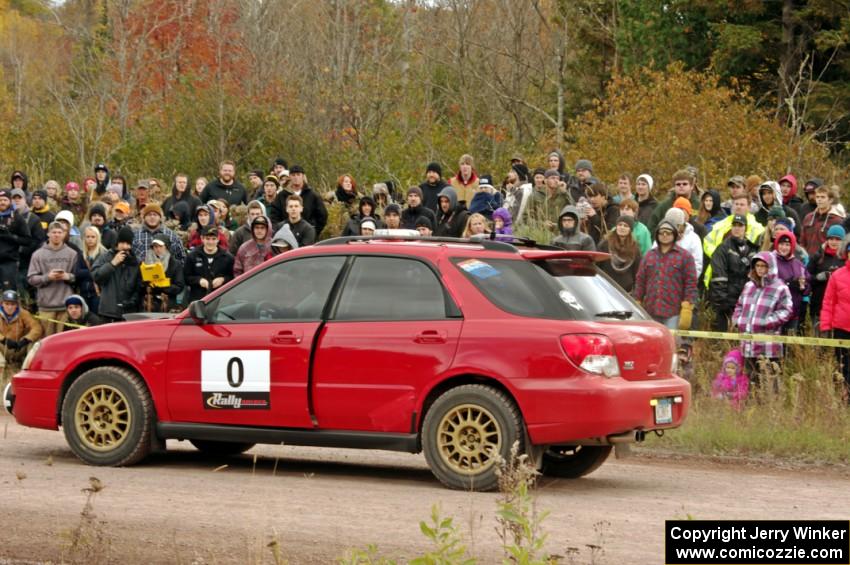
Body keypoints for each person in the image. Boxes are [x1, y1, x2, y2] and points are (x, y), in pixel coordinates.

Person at [732, 252, 793, 389]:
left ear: (770, 267)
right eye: (757, 266)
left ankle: (772, 408)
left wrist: (766, 322)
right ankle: (752, 407)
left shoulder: (780, 288)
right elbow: (739, 305)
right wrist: (738, 320)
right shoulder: (749, 286)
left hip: (768, 345)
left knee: (770, 381)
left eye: (763, 266)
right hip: (748, 343)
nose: (760, 269)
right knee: (751, 380)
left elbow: (786, 310)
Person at [634, 220, 698, 330]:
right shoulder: (649, 255)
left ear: (674, 235)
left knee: (671, 344)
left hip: (673, 312)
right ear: (657, 235)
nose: (664, 235)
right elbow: (640, 280)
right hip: (651, 310)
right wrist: (637, 301)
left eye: (668, 233)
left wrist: (687, 306)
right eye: (661, 232)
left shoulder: (685, 257)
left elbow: (691, 283)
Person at [707, 214, 759, 331]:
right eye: (734, 225)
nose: (737, 228)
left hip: (746, 302)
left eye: (740, 225)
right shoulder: (723, 248)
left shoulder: (752, 248)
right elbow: (718, 277)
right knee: (723, 340)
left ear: (746, 228)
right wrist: (722, 302)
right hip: (726, 303)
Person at [27, 222, 78, 335]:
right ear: (48, 234)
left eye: (59, 232)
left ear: (64, 234)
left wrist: (68, 276)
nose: (56, 235)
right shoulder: (38, 254)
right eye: (54, 232)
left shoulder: (72, 254)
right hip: (46, 307)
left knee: (64, 341)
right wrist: (47, 277)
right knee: (47, 341)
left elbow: (80, 277)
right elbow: (31, 278)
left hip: (66, 306)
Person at [819, 237, 850, 397]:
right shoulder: (837, 275)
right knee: (842, 367)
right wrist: (825, 326)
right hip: (841, 329)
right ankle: (843, 400)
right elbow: (828, 302)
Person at [92, 226, 142, 322]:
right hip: (108, 312)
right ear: (117, 243)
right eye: (122, 243)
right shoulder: (105, 257)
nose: (125, 246)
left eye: (128, 243)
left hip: (128, 313)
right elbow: (96, 276)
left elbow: (138, 287)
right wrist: (112, 264)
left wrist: (131, 302)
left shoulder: (136, 262)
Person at [269, 165, 326, 236]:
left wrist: (313, 232)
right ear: (289, 177)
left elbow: (322, 215)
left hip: (307, 237)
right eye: (293, 175)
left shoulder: (313, 195)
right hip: (286, 237)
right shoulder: (281, 195)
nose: (296, 177)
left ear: (303, 176)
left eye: (298, 175)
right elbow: (274, 216)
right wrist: (280, 232)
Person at [807, 224, 845, 331]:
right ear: (827, 240)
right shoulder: (818, 256)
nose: (834, 242)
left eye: (837, 239)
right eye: (831, 238)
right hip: (819, 305)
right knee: (819, 341)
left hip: (840, 308)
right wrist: (818, 278)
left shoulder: (846, 258)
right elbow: (806, 277)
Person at [184, 226, 235, 303]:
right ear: (202, 238)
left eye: (213, 239)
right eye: (207, 239)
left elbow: (233, 277)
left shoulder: (228, 257)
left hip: (220, 298)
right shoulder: (192, 256)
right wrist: (198, 280)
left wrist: (223, 279)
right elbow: (186, 277)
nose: (210, 242)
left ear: (218, 239)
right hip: (197, 298)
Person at [772, 231, 810, 334]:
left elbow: (807, 284)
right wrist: (787, 284)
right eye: (781, 244)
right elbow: (766, 283)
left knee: (789, 347)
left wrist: (803, 286)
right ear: (776, 244)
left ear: (792, 246)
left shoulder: (798, 264)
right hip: (774, 312)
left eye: (787, 245)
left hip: (793, 313)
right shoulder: (770, 261)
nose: (784, 247)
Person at [597, 216, 641, 293]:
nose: (622, 227)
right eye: (620, 225)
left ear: (630, 229)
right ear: (616, 226)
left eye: (625, 226)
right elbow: (597, 266)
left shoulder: (635, 248)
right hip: (605, 288)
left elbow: (636, 272)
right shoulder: (605, 244)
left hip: (626, 292)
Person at [0, 289, 42, 367]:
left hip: (19, 346)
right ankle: (1, 366)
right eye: (7, 304)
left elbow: (37, 328)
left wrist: (26, 339)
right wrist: (4, 340)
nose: (10, 307)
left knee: (35, 341)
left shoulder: (23, 313)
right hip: (3, 347)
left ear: (17, 304)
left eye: (13, 304)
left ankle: (28, 367)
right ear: (2, 304)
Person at [142, 238, 185, 312]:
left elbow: (179, 286)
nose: (158, 249)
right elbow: (140, 284)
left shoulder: (175, 264)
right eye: (155, 247)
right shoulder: (146, 263)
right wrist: (148, 284)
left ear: (166, 247)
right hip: (150, 304)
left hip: (169, 304)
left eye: (161, 246)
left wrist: (163, 287)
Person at [801, 185, 845, 257]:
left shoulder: (837, 220)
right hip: (808, 261)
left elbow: (842, 245)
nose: (819, 200)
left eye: (823, 197)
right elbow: (802, 241)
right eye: (817, 197)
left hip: (826, 261)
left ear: (830, 200)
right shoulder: (808, 218)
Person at [80, 225, 107, 314]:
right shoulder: (81, 254)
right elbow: (77, 272)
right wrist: (93, 272)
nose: (90, 239)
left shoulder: (104, 254)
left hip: (99, 293)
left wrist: (88, 273)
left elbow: (103, 273)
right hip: (84, 292)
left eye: (93, 237)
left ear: (97, 238)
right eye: (88, 237)